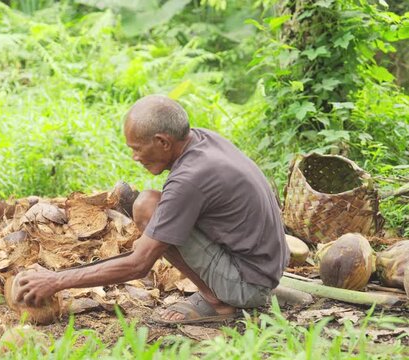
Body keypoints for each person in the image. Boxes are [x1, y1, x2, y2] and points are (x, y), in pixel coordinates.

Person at [16, 94, 288, 324]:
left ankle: (217, 301)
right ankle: (218, 293)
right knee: (150, 205)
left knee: (147, 207)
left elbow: (139, 264)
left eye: (136, 149)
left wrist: (56, 281)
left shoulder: (189, 180)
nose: (134, 157)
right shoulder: (203, 140)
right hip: (264, 266)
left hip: (249, 284)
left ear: (163, 142)